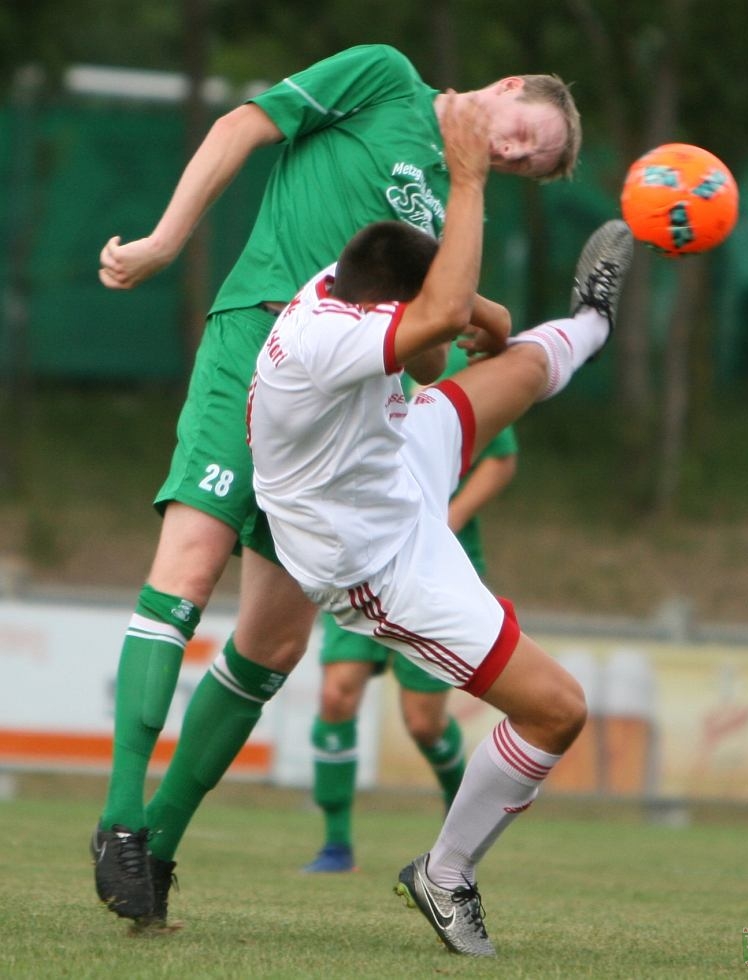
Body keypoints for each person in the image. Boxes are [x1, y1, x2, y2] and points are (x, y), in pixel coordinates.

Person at [91, 43, 583, 929]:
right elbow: (242, 125)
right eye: (523, 133)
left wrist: (479, 318)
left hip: (338, 439)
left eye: (526, 163)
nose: (512, 154)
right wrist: (165, 240)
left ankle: (156, 849)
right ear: (508, 86)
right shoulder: (386, 78)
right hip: (262, 345)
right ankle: (121, 819)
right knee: (189, 569)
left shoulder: (452, 197)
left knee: (274, 645)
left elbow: (429, 342)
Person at [247, 93, 633, 954]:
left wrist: (494, 322)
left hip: (386, 461)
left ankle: (590, 324)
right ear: (393, 311)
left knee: (521, 369)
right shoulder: (326, 341)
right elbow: (441, 320)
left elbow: (452, 318)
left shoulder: (346, 285)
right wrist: (467, 181)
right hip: (374, 560)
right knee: (557, 711)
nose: (440, 340)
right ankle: (446, 873)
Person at [304, 343, 518, 874]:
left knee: (423, 723)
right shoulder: (362, 349)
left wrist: (449, 515)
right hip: (362, 556)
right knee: (336, 694)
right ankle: (335, 844)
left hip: (433, 566)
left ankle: (457, 815)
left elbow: (501, 458)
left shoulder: (462, 362)